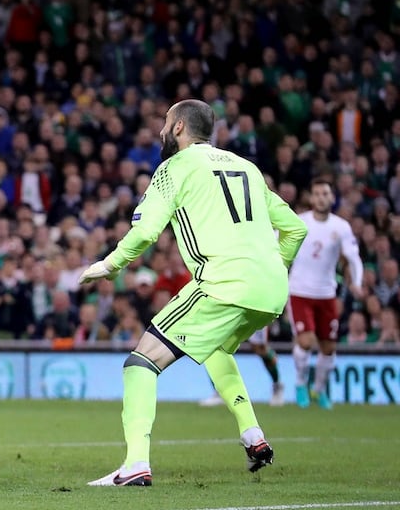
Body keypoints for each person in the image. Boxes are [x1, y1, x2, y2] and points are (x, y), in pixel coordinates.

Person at [78, 99, 307, 487]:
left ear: (180, 127)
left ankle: (135, 464)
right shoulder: (246, 167)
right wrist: (273, 268)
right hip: (271, 290)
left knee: (140, 362)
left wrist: (110, 264)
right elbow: (296, 229)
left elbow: (147, 231)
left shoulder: (175, 167)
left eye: (166, 123)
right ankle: (252, 433)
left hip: (223, 283)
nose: (161, 131)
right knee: (216, 349)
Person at [288, 180, 363, 409]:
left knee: (328, 348)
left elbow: (353, 258)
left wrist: (357, 283)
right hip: (300, 291)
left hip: (326, 293)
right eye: (317, 194)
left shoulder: (341, 227)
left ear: (332, 198)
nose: (321, 198)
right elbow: (273, 240)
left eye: (325, 193)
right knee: (305, 341)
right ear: (311, 198)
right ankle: (300, 384)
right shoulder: (299, 221)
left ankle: (319, 390)